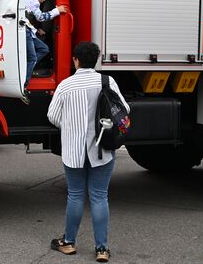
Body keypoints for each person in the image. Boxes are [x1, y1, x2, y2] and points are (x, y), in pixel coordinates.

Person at [47, 41, 129, 262]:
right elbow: (124, 109)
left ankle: (69, 243)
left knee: (75, 195)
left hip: (73, 152)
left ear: (75, 60)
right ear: (96, 60)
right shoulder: (107, 81)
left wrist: (71, 125)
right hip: (102, 148)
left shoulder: (65, 85)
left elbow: (52, 116)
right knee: (100, 196)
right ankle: (101, 249)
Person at [24, 0, 67, 89]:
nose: (43, 0)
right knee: (33, 58)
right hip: (26, 32)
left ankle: (27, 65)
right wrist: (57, 11)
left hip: (29, 31)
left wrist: (36, 29)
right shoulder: (34, 2)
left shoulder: (28, 0)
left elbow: (27, 18)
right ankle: (24, 82)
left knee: (44, 49)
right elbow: (41, 17)